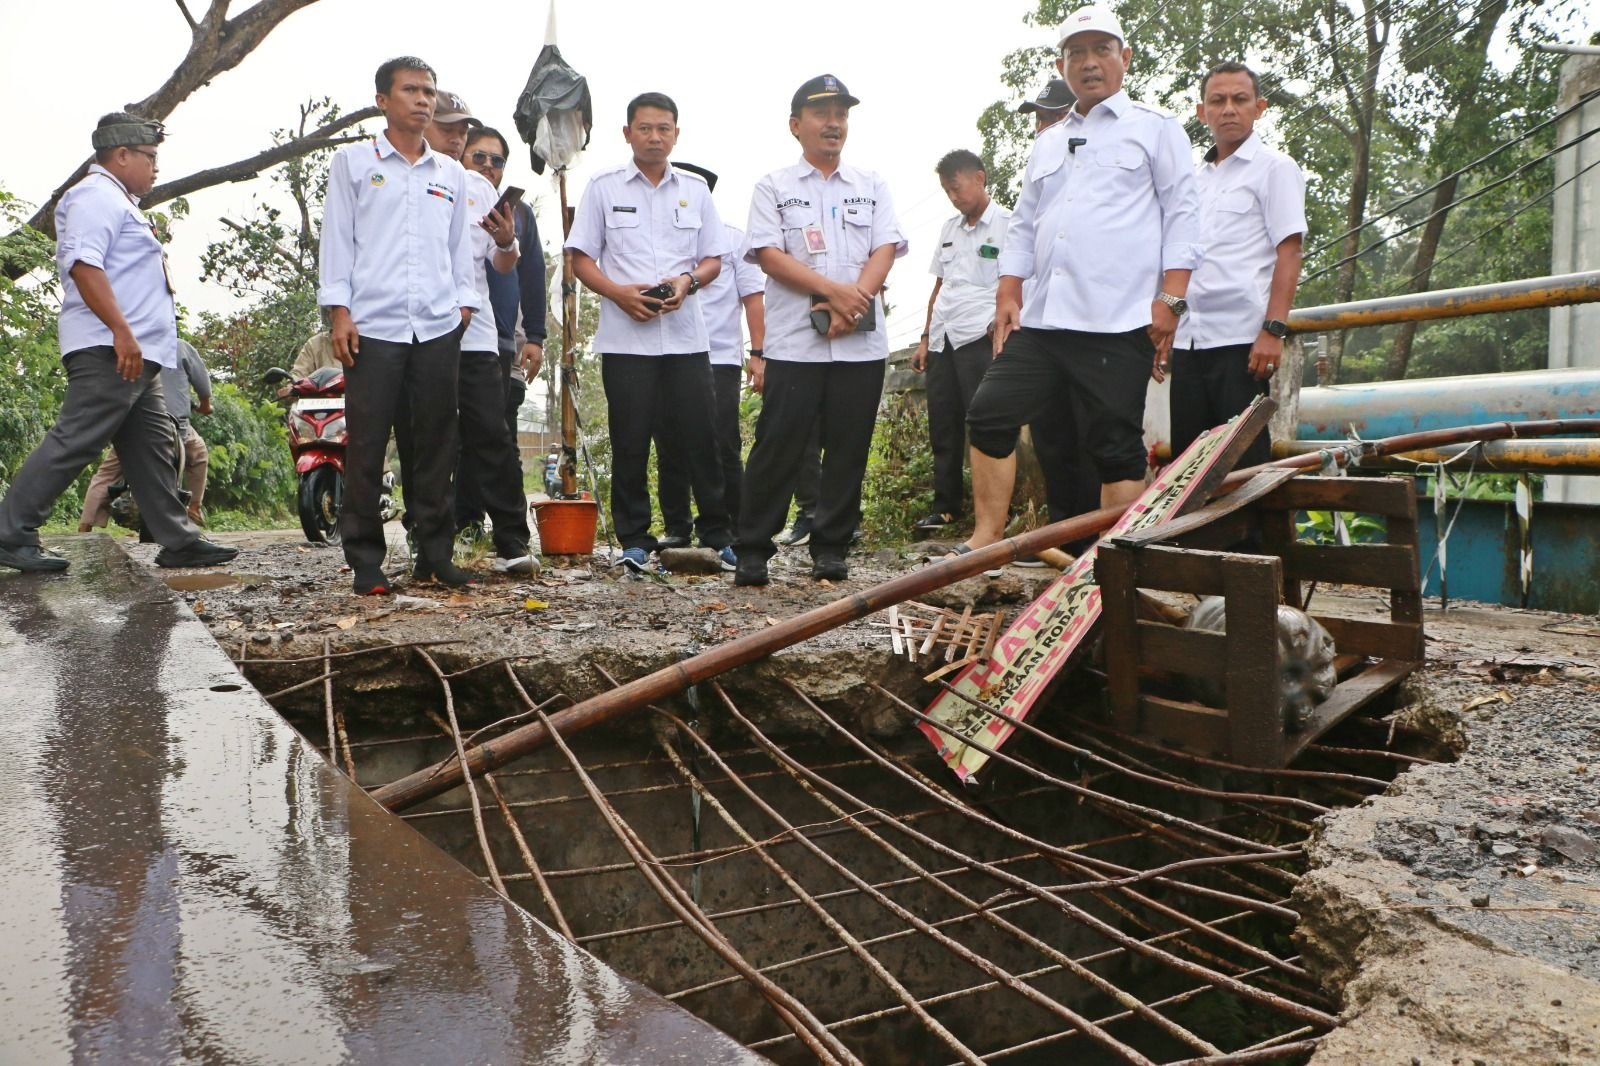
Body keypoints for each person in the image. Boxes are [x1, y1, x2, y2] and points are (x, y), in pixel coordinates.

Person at [960, 6, 1201, 553]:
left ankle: (1112, 567)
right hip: (1046, 319)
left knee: (1115, 446)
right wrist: (1008, 289)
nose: (1089, 63)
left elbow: (1184, 217)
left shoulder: (1156, 128)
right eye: (1077, 53)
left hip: (1119, 320)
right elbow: (1024, 224)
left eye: (1101, 50)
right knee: (990, 413)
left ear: (1124, 58)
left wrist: (1171, 298)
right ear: (1061, 65)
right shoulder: (1048, 142)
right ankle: (985, 542)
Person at [0, 113, 236, 573]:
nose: (156, 167)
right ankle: (11, 531)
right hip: (111, 348)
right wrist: (121, 332)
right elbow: (84, 266)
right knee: (77, 439)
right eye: (150, 157)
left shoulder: (120, 202)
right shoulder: (94, 197)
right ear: (122, 155)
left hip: (138, 353)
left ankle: (179, 539)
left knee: (152, 447)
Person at [735, 74, 906, 586]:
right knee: (778, 446)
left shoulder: (871, 185)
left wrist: (855, 300)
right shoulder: (774, 186)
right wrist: (834, 292)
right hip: (795, 342)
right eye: (822, 113)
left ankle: (831, 548)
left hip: (860, 343)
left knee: (849, 448)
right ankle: (752, 550)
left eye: (841, 114)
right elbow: (769, 255)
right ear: (796, 125)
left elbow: (885, 248)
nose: (834, 123)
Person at [319, 57, 478, 595]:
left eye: (429, 91)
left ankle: (434, 555)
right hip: (373, 326)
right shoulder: (354, 163)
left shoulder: (450, 173)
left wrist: (463, 307)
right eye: (411, 90)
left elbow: (459, 248)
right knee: (367, 446)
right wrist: (339, 311)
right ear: (383, 100)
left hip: (436, 326)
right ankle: (366, 560)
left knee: (434, 445)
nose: (423, 99)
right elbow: (337, 239)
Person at [564, 92, 735, 575]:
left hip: (686, 338)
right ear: (627, 134)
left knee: (703, 438)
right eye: (645, 128)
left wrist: (688, 282)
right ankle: (635, 541)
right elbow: (580, 258)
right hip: (626, 340)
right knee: (631, 440)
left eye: (664, 128)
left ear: (676, 133)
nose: (655, 137)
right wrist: (618, 294)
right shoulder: (603, 187)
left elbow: (714, 259)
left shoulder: (696, 190)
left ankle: (719, 535)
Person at [419, 100, 537, 576]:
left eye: (461, 130)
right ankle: (429, 540)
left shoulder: (479, 188)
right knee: (431, 437)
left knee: (492, 434)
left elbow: (502, 263)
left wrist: (507, 240)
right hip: (420, 330)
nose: (455, 137)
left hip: (478, 334)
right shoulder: (406, 181)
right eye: (447, 128)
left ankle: (512, 539)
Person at [1172, 61, 1305, 469]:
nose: (1228, 109)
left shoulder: (1275, 168)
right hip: (1189, 340)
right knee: (1188, 465)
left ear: (1259, 107)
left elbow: (1290, 252)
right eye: (1218, 101)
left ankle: (1254, 519)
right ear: (1202, 112)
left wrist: (1273, 329)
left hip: (1242, 343)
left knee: (1242, 464)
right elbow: (1177, 254)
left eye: (1239, 99)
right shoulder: (1192, 179)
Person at [655, 165, 766, 550]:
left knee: (721, 442)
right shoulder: (659, 241)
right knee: (669, 441)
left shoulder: (732, 240)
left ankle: (730, 526)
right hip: (667, 352)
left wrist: (758, 354)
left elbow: (753, 300)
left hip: (718, 357)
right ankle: (677, 526)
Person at [909, 150, 1010, 535]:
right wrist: (924, 337)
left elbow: (1015, 282)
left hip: (980, 336)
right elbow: (939, 286)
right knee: (943, 424)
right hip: (943, 338)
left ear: (980, 178)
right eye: (946, 191)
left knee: (984, 422)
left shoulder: (1007, 224)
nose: (953, 197)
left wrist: (1001, 325)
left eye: (957, 187)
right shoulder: (949, 229)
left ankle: (993, 514)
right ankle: (946, 507)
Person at [454, 125, 548, 539]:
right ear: (461, 157)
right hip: (449, 333)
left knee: (497, 434)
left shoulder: (519, 214)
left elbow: (532, 274)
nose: (488, 166)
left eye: (497, 160)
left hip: (502, 338)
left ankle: (506, 532)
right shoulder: (446, 197)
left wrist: (536, 337)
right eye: (479, 157)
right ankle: (464, 522)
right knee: (452, 436)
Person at [79, 338, 212, 531]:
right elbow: (203, 388)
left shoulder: (126, 347)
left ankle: (86, 525)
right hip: (174, 425)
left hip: (133, 424)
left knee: (107, 475)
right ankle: (194, 507)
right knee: (199, 455)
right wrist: (205, 406)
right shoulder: (180, 347)